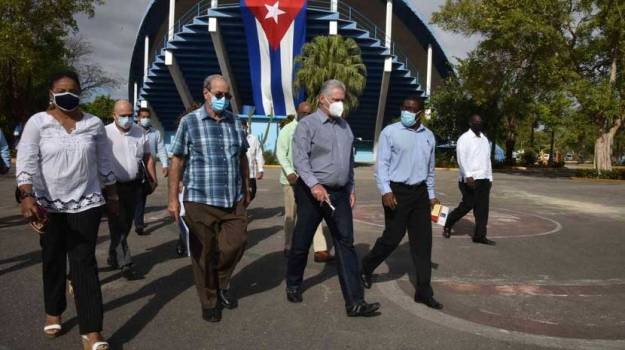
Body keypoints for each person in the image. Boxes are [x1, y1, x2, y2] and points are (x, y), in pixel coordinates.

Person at [16, 70, 116, 350]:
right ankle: (54, 310)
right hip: (48, 204)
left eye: (73, 90)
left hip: (87, 201)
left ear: (80, 93)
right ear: (51, 93)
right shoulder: (38, 123)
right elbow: (27, 159)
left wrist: (113, 193)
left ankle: (92, 330)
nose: (67, 95)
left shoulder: (94, 124)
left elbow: (104, 159)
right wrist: (27, 195)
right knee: (53, 259)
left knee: (84, 263)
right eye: (61, 90)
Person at [287, 79, 380, 317]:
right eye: (336, 99)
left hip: (339, 194)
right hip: (312, 193)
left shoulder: (345, 127)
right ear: (323, 99)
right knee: (302, 241)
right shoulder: (307, 126)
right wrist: (314, 185)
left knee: (345, 243)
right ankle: (294, 283)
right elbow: (300, 159)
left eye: (342, 99)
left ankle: (355, 302)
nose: (340, 104)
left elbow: (348, 163)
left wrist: (351, 188)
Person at [168, 74, 250, 323]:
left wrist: (246, 186)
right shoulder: (190, 122)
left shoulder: (235, 122)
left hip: (232, 198)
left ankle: (221, 282)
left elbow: (243, 156)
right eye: (219, 95)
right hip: (199, 199)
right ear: (206, 94)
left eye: (227, 96)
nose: (223, 99)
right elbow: (177, 160)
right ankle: (210, 301)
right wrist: (173, 198)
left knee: (236, 243)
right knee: (204, 255)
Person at [360, 96, 443, 310]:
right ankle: (365, 267)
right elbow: (382, 165)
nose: (407, 111)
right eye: (405, 107)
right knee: (392, 238)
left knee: (423, 243)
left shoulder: (429, 137)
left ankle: (423, 291)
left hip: (420, 194)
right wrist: (386, 191)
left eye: (412, 109)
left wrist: (432, 194)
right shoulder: (390, 132)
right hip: (397, 192)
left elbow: (430, 170)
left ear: (420, 113)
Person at [105, 100, 156, 280]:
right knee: (117, 224)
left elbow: (148, 156)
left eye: (129, 115)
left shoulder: (139, 132)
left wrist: (153, 176)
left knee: (126, 224)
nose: (127, 119)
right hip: (112, 187)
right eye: (122, 115)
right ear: (114, 116)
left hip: (134, 186)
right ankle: (125, 262)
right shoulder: (104, 133)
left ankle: (113, 255)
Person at [276, 101, 334, 262]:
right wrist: (289, 172)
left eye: (309, 114)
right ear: (297, 112)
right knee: (291, 215)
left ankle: (320, 249)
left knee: (314, 214)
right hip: (292, 181)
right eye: (304, 113)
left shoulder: (315, 129)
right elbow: (280, 153)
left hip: (311, 180)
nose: (307, 116)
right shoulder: (288, 130)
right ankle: (289, 245)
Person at [443, 114, 495, 245]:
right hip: (469, 179)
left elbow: (487, 160)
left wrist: (490, 177)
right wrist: (468, 175)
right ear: (470, 123)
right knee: (467, 205)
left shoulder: (484, 139)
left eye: (480, 121)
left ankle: (480, 236)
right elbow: (462, 158)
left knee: (482, 209)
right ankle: (448, 223)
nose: (478, 123)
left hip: (484, 179)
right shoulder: (464, 138)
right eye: (476, 121)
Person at [134, 107, 169, 235]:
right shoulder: (133, 131)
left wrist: (165, 165)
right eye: (142, 117)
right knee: (136, 196)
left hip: (149, 168)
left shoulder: (155, 133)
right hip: (135, 168)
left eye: (147, 116)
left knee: (142, 195)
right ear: (138, 118)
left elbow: (161, 149)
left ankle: (138, 221)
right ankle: (138, 221)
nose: (145, 119)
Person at [241, 120, 264, 201]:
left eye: (243, 127)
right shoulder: (235, 138)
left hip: (251, 173)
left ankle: (243, 209)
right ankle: (241, 211)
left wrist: (260, 169)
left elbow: (259, 154)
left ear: (247, 127)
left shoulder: (253, 139)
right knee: (241, 194)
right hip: (239, 174)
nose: (242, 129)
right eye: (240, 127)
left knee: (252, 192)